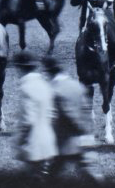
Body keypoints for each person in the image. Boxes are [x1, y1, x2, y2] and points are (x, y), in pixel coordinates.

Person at [41, 55, 103, 185]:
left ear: (49, 72)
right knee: (87, 172)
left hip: (67, 141)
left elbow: (69, 114)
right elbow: (86, 109)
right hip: (83, 139)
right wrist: (88, 131)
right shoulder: (77, 85)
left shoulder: (57, 90)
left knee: (51, 176)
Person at [13, 51, 57, 181]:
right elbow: (52, 113)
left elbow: (28, 120)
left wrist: (20, 141)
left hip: (33, 143)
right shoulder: (45, 84)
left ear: (20, 68)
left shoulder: (26, 87)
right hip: (48, 140)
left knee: (32, 179)